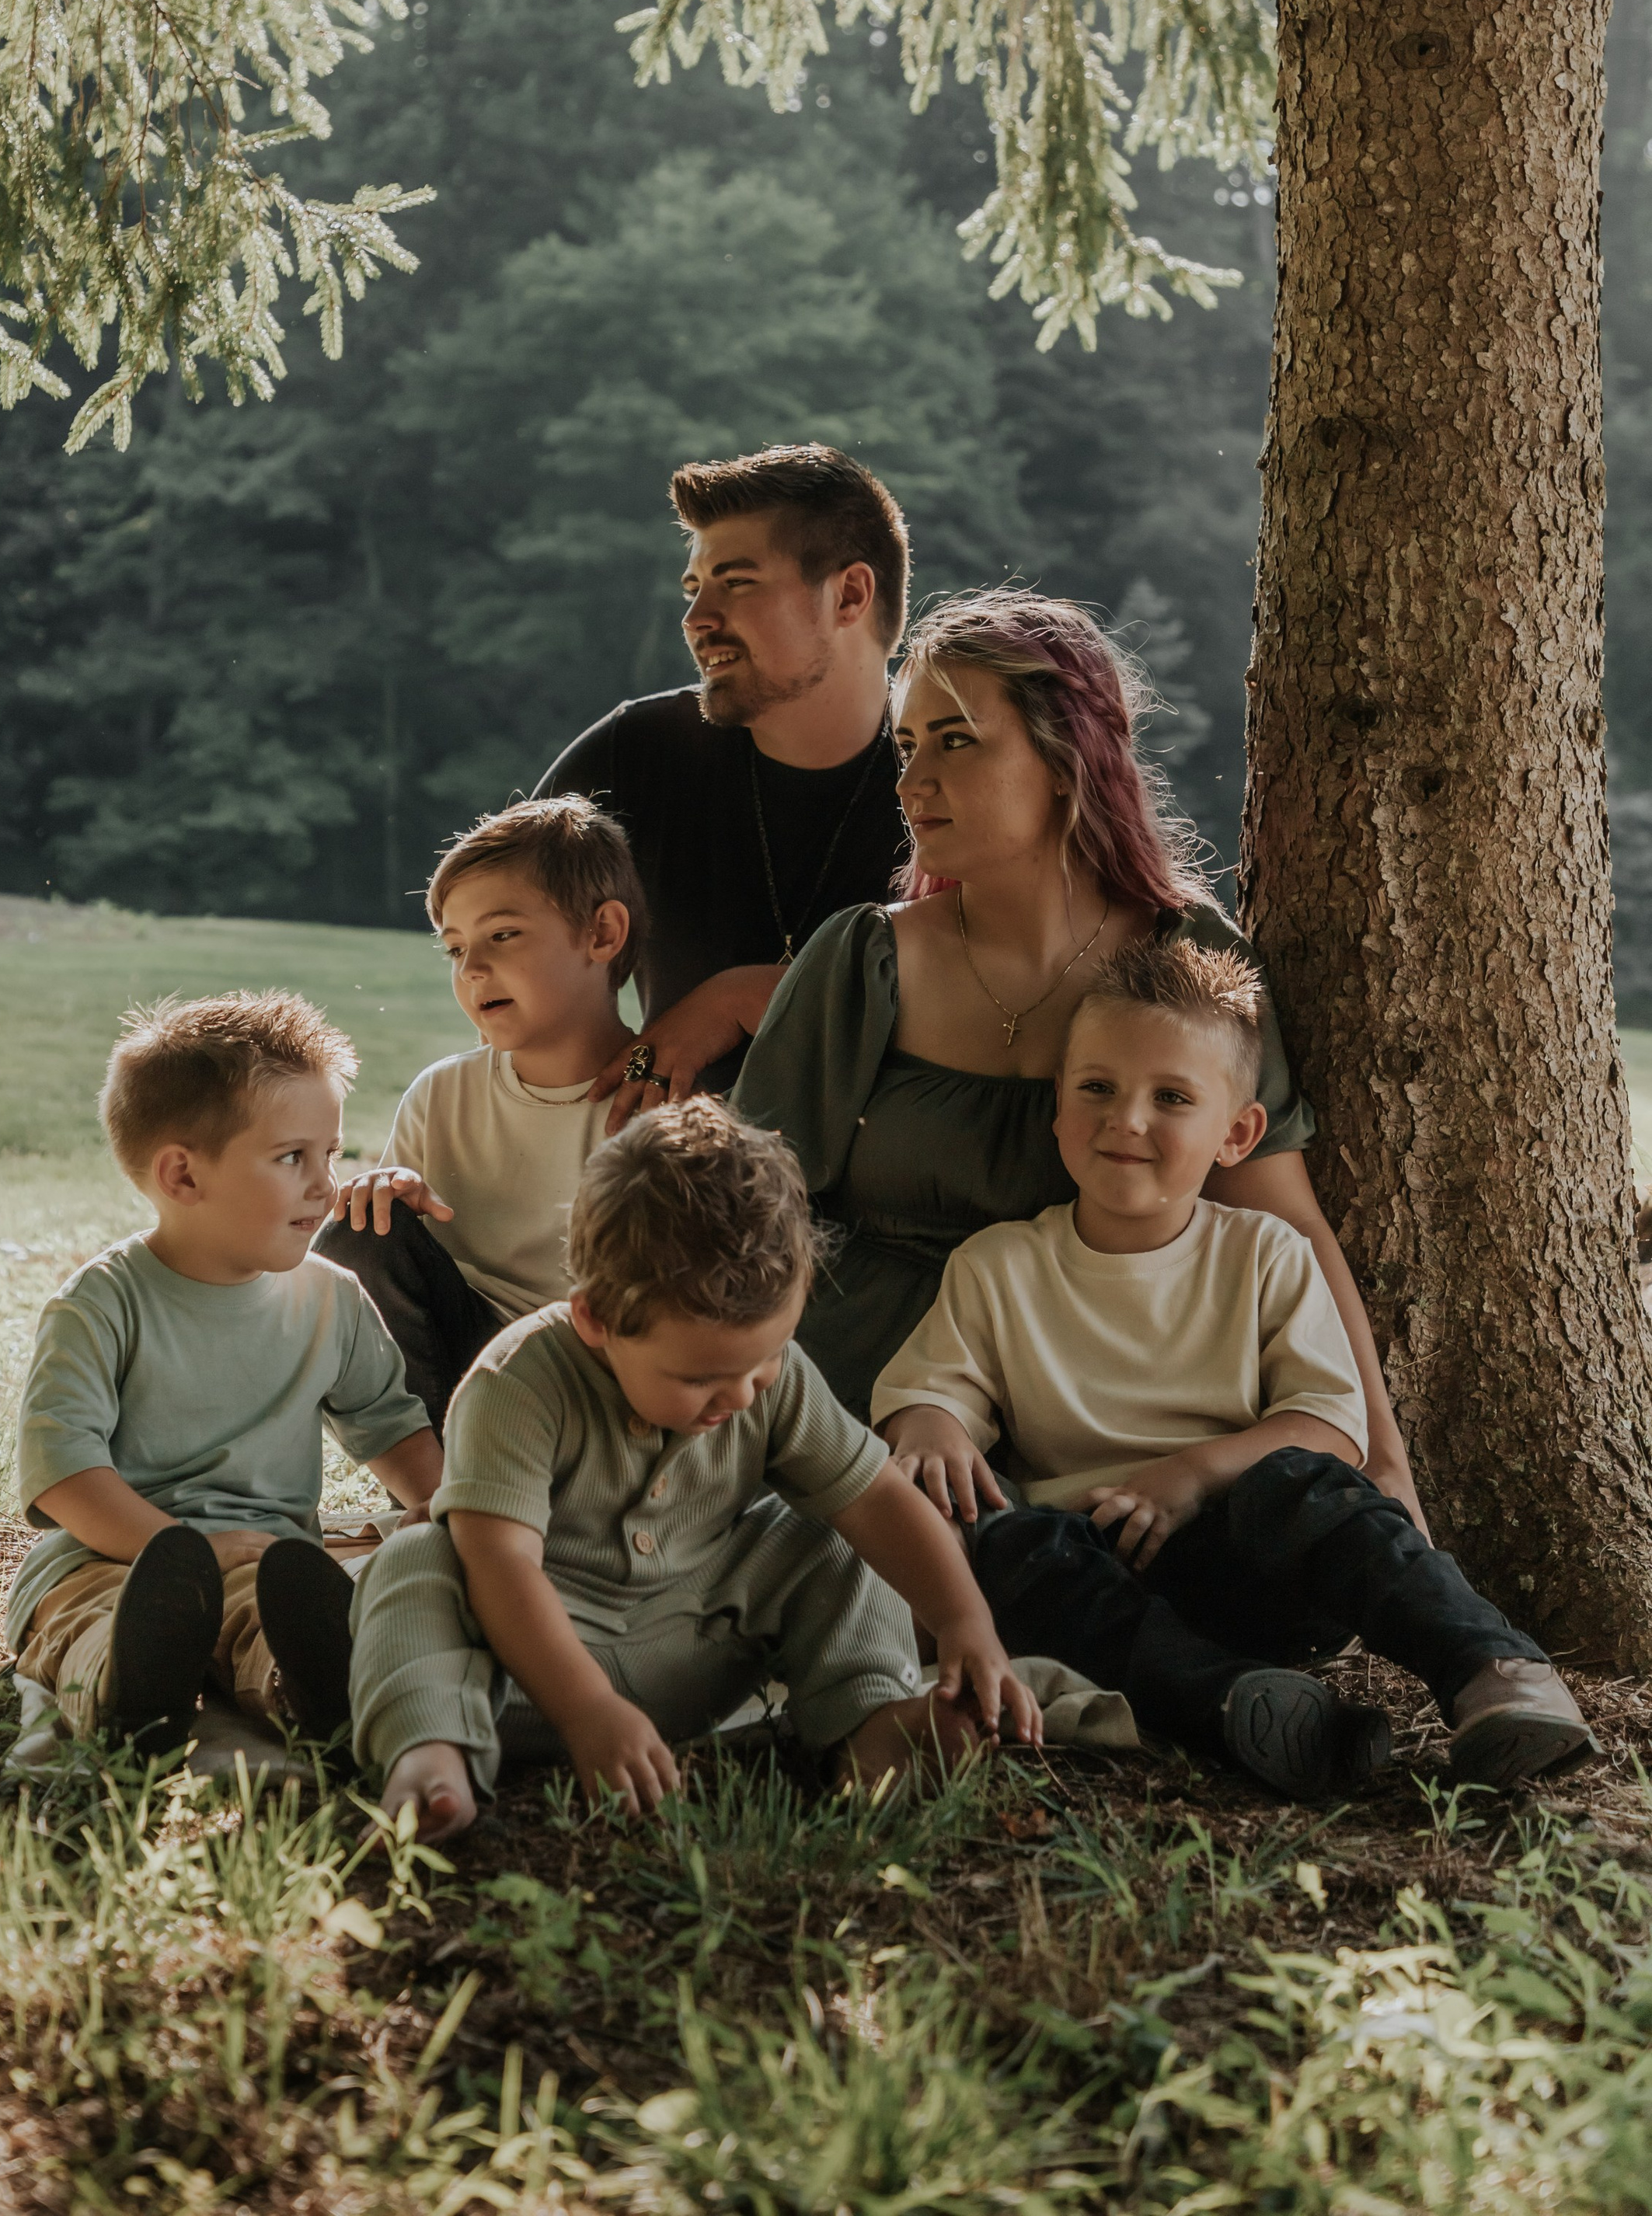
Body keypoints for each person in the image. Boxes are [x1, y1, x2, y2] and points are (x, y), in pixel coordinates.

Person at [733, 586, 1423, 1528]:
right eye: (906, 745)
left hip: (1096, 1416)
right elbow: (746, 1215)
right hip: (869, 1404)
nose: (910, 782)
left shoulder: (1187, 962)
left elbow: (1284, 1217)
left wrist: (1384, 1463)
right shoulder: (865, 960)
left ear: (1067, 759)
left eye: (956, 740)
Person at [872, 939, 1591, 1801]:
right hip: (1098, 1569)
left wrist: (1190, 1476)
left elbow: (1329, 1422)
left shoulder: (1264, 1255)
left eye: (1170, 1097)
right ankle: (1242, 1706)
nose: (1125, 1119)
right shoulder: (999, 1267)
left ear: (1237, 1133)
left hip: (1254, 1556)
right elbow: (932, 1390)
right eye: (1095, 1088)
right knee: (1005, 1548)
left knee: (1310, 1488)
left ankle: (1494, 1672)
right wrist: (930, 1423)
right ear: (1057, 1109)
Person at [344, 1098, 1045, 1835]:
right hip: (529, 1670)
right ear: (596, 1320)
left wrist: (965, 1622)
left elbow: (874, 1499)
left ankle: (867, 1725)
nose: (740, 1395)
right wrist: (588, 1711)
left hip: (699, 1646)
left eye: (765, 1360)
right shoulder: (517, 1383)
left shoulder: (768, 1381)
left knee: (830, 1535)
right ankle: (432, 1756)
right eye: (698, 1378)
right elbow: (503, 1568)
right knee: (420, 1559)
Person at [9, 992, 444, 1753]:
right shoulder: (102, 1304)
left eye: (332, 1155)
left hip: (261, 1556)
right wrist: (177, 1546)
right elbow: (64, 1475)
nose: (325, 1185)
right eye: (292, 1158)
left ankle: (309, 1689)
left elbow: (391, 1427)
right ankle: (128, 1693)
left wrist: (444, 1505)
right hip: (109, 1560)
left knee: (270, 1616)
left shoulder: (331, 1299)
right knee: (91, 1623)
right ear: (182, 1176)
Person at [539, 445, 911, 1120]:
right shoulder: (635, 754)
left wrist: (743, 997)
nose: (696, 619)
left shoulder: (951, 773)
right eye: (694, 588)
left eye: (736, 583)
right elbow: (497, 936)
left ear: (850, 595)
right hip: (668, 1184)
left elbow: (1009, 1002)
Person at [320, 798, 643, 1422]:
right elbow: (382, 1282)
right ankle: (438, 1490)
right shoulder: (442, 1095)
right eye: (455, 949)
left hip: (593, 1392)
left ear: (602, 934)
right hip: (456, 1383)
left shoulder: (661, 1103)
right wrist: (386, 1193)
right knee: (360, 1234)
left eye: (503, 935)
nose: (472, 968)